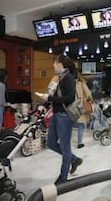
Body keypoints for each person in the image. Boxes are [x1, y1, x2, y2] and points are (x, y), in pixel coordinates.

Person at [35, 54, 82, 184]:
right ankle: (74, 159)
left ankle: (63, 177)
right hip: (56, 114)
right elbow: (50, 95)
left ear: (61, 63)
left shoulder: (68, 78)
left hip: (65, 116)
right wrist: (43, 104)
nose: (53, 65)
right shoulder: (57, 78)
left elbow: (70, 98)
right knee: (50, 143)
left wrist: (49, 99)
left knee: (65, 147)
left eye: (55, 63)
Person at [75, 72, 93, 149]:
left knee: (68, 125)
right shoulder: (81, 83)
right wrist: (90, 100)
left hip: (71, 107)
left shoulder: (69, 83)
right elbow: (88, 93)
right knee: (80, 126)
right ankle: (79, 143)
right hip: (80, 106)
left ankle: (64, 141)